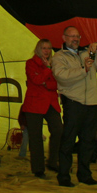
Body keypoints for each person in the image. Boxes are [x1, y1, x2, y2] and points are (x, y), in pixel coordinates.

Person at [52, 26, 97, 187]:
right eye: (71, 36)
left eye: (77, 36)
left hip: (91, 103)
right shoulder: (59, 57)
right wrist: (83, 69)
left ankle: (85, 175)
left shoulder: (86, 53)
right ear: (64, 38)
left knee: (88, 141)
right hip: (73, 103)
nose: (75, 39)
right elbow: (62, 77)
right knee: (68, 141)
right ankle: (63, 176)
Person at [20, 38, 62, 178]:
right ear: (38, 49)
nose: (47, 51)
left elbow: (57, 84)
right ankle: (38, 169)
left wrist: (46, 82)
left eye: (49, 48)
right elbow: (36, 80)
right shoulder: (30, 63)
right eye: (44, 48)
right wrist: (48, 70)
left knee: (58, 129)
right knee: (35, 136)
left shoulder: (55, 63)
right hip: (34, 104)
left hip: (50, 102)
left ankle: (52, 161)